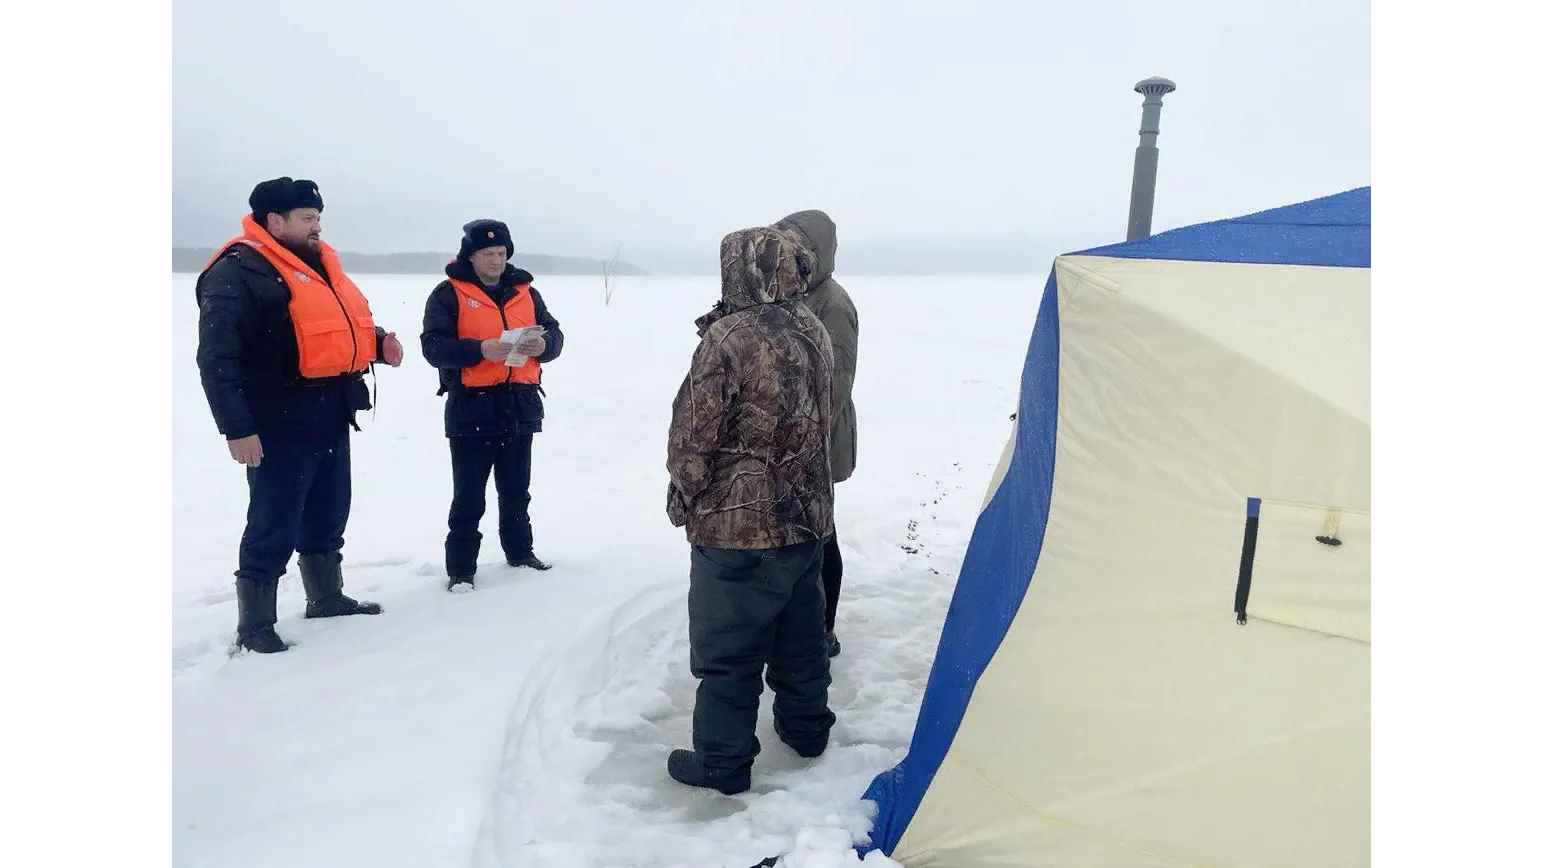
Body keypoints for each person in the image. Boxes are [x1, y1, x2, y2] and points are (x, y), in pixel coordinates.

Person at [195, 177, 404, 655]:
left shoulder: (316, 266)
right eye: (308, 219)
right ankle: (255, 625)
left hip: (330, 411)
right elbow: (217, 359)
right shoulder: (236, 273)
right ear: (275, 221)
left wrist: (378, 343)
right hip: (276, 420)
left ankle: (326, 596)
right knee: (274, 519)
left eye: (318, 218)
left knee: (330, 508)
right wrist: (238, 428)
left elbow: (328, 327)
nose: (317, 228)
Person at [664, 226, 838, 795]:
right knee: (801, 635)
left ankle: (722, 762)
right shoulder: (813, 328)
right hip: (806, 517)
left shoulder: (728, 338)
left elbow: (693, 434)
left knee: (727, 651)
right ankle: (808, 731)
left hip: (736, 528)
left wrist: (683, 493)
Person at [420, 219, 565, 590]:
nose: (497, 261)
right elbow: (433, 347)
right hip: (472, 407)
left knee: (517, 489)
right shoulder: (447, 294)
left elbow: (556, 334)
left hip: (520, 404)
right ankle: (461, 569)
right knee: (469, 495)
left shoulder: (527, 293)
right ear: (471, 256)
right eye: (489, 254)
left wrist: (544, 346)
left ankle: (520, 552)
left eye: (502, 253)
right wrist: (477, 349)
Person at [772, 209, 859, 657]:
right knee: (799, 535)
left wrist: (803, 438)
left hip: (820, 440)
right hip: (788, 438)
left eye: (793, 246)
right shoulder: (787, 295)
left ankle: (823, 630)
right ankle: (796, 620)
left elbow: (836, 383)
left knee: (821, 535)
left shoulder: (832, 304)